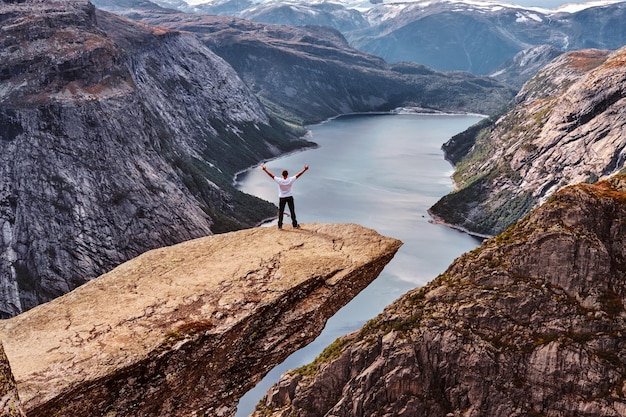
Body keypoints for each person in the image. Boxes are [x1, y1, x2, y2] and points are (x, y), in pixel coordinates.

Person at [261, 164, 309, 229]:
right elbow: (299, 175)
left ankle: (280, 226)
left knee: (281, 212)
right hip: (289, 197)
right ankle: (294, 225)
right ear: (287, 174)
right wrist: (305, 169)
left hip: (282, 198)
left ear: (282, 175)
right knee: (292, 211)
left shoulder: (279, 180)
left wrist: (265, 170)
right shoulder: (290, 180)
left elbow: (271, 175)